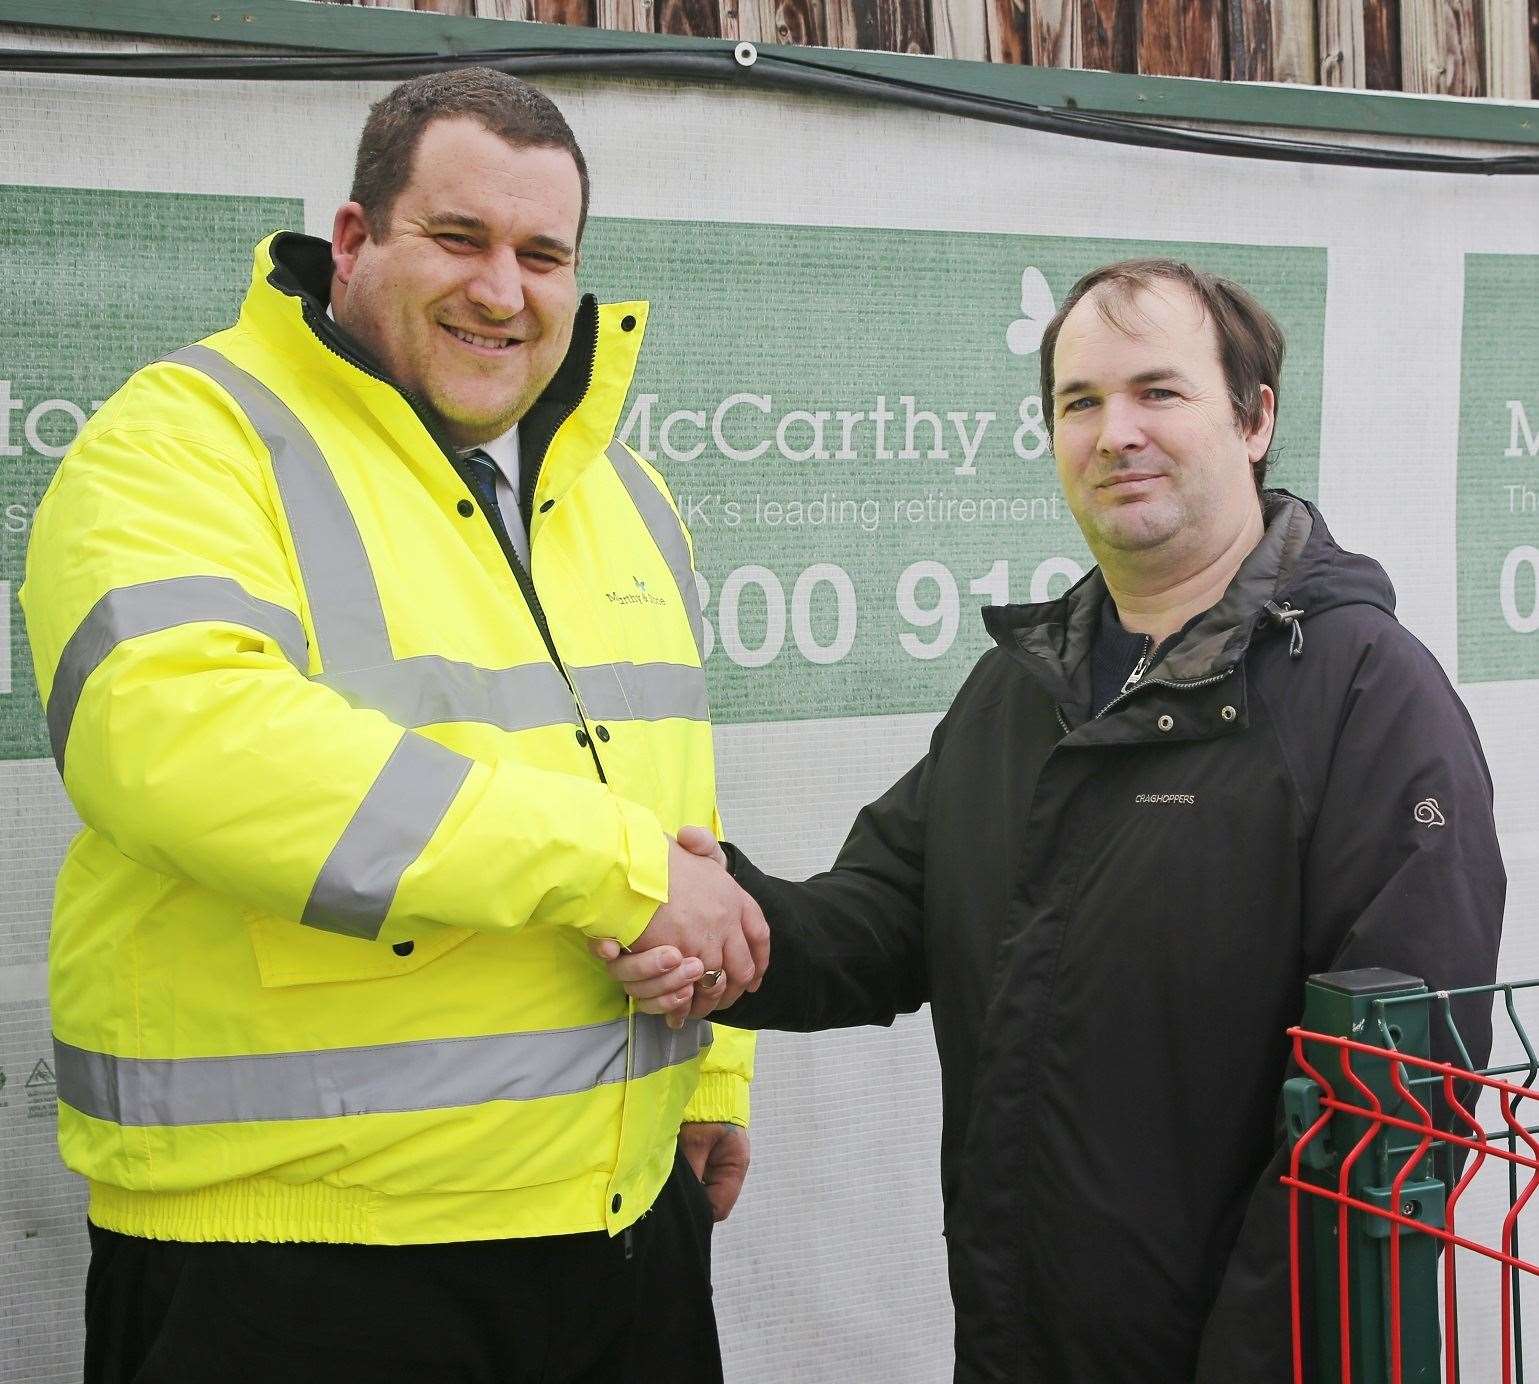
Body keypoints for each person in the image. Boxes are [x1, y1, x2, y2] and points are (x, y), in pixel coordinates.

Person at [599, 259, 1506, 1382]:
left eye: (1158, 393)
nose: (1115, 431)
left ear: (1255, 416)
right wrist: (726, 918)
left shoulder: (1370, 698)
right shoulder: (1026, 688)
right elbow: (886, 916)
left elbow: (1393, 1112)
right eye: (1080, 402)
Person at [22, 68, 766, 1384]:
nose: (503, 290)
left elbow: (678, 807)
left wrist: (708, 1073)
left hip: (619, 1237)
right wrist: (620, 869)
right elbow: (181, 747)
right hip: (299, 1265)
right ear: (354, 240)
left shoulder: (622, 493)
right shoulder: (187, 441)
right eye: (460, 238)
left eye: (543, 255)